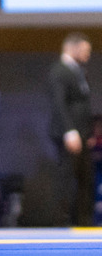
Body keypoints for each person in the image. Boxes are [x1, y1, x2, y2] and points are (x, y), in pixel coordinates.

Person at [48, 32, 94, 226]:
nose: (88, 55)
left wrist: (87, 133)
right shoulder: (59, 71)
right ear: (73, 48)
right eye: (85, 51)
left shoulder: (77, 70)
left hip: (82, 133)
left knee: (85, 178)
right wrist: (70, 132)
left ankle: (83, 221)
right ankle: (61, 222)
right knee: (66, 177)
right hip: (69, 134)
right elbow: (59, 103)